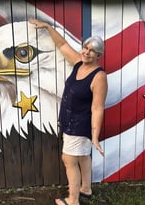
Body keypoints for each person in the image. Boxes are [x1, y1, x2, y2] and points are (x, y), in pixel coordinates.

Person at [29, 19, 107, 205]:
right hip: (69, 120)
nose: (87, 52)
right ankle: (86, 189)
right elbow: (62, 45)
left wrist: (95, 136)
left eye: (92, 51)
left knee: (69, 159)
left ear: (99, 55)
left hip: (79, 125)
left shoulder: (99, 77)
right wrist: (48, 28)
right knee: (81, 156)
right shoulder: (79, 63)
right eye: (85, 48)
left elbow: (97, 108)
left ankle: (73, 200)